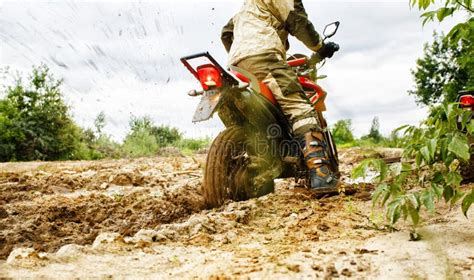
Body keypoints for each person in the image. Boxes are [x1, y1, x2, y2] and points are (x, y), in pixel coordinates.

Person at [221, 0, 340, 194]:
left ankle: (264, 156)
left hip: (237, 64)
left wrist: (243, 54)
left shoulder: (246, 8)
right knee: (299, 107)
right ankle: (320, 173)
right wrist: (320, 47)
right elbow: (298, 21)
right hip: (265, 57)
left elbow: (226, 33)